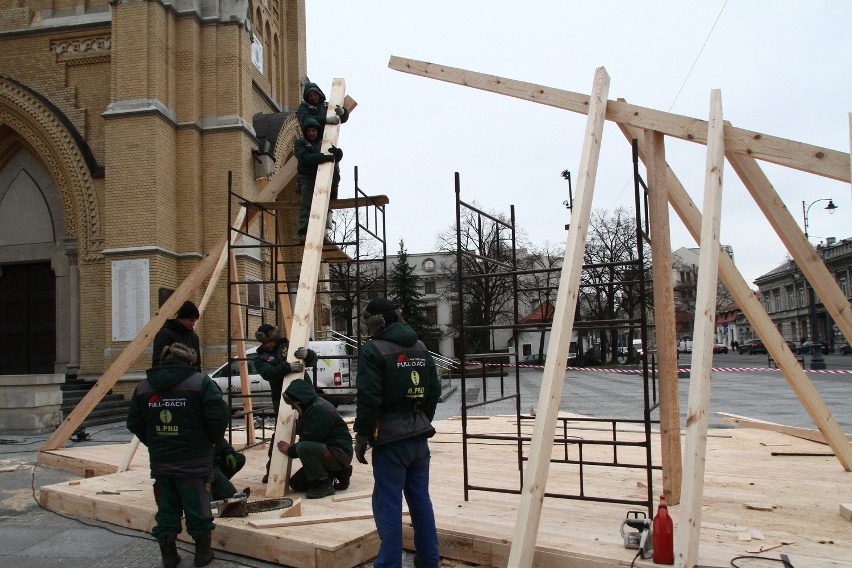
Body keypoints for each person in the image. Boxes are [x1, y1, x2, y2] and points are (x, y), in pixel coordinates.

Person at [353, 298, 442, 568]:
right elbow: (434, 390)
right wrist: (421, 419)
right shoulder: (420, 346)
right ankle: (429, 560)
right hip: (417, 436)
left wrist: (362, 435)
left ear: (374, 323)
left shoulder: (373, 350)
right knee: (420, 500)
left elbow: (369, 398)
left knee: (387, 503)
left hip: (391, 440)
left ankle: (389, 564)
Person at [127, 343, 228, 568]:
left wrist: (155, 441)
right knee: (199, 508)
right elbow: (219, 416)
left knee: (167, 509)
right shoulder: (201, 383)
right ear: (189, 360)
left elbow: (134, 422)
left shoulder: (144, 387)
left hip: (162, 463)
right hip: (195, 462)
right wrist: (211, 441)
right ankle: (202, 555)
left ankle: (169, 556)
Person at [253, 323, 318, 483]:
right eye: (265, 343)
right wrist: (287, 367)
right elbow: (269, 373)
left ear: (275, 339)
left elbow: (312, 361)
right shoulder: (260, 358)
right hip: (281, 398)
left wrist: (308, 354)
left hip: (304, 394)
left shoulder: (289, 345)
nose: (268, 345)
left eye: (271, 341)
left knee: (309, 431)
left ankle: (315, 471)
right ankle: (273, 470)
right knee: (281, 433)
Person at [274, 379, 353, 498]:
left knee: (303, 447)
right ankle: (338, 473)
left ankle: (324, 484)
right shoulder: (313, 406)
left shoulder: (318, 409)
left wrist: (290, 449)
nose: (293, 409)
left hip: (338, 454)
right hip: (332, 451)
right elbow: (311, 431)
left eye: (293, 405)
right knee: (297, 483)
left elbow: (309, 439)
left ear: (299, 400)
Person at [294, 116, 342, 239]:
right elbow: (304, 158)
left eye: (313, 131)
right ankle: (303, 231)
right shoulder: (301, 143)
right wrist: (323, 157)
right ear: (306, 132)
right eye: (309, 131)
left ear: (317, 131)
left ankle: (321, 232)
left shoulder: (323, 143)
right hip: (306, 178)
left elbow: (334, 159)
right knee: (307, 204)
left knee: (322, 205)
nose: (311, 133)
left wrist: (337, 153)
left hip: (321, 178)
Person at [152, 300, 202, 370]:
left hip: (191, 378)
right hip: (171, 378)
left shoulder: (194, 337)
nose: (193, 323)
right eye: (191, 320)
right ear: (182, 318)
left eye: (195, 321)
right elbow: (157, 363)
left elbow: (197, 364)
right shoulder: (165, 334)